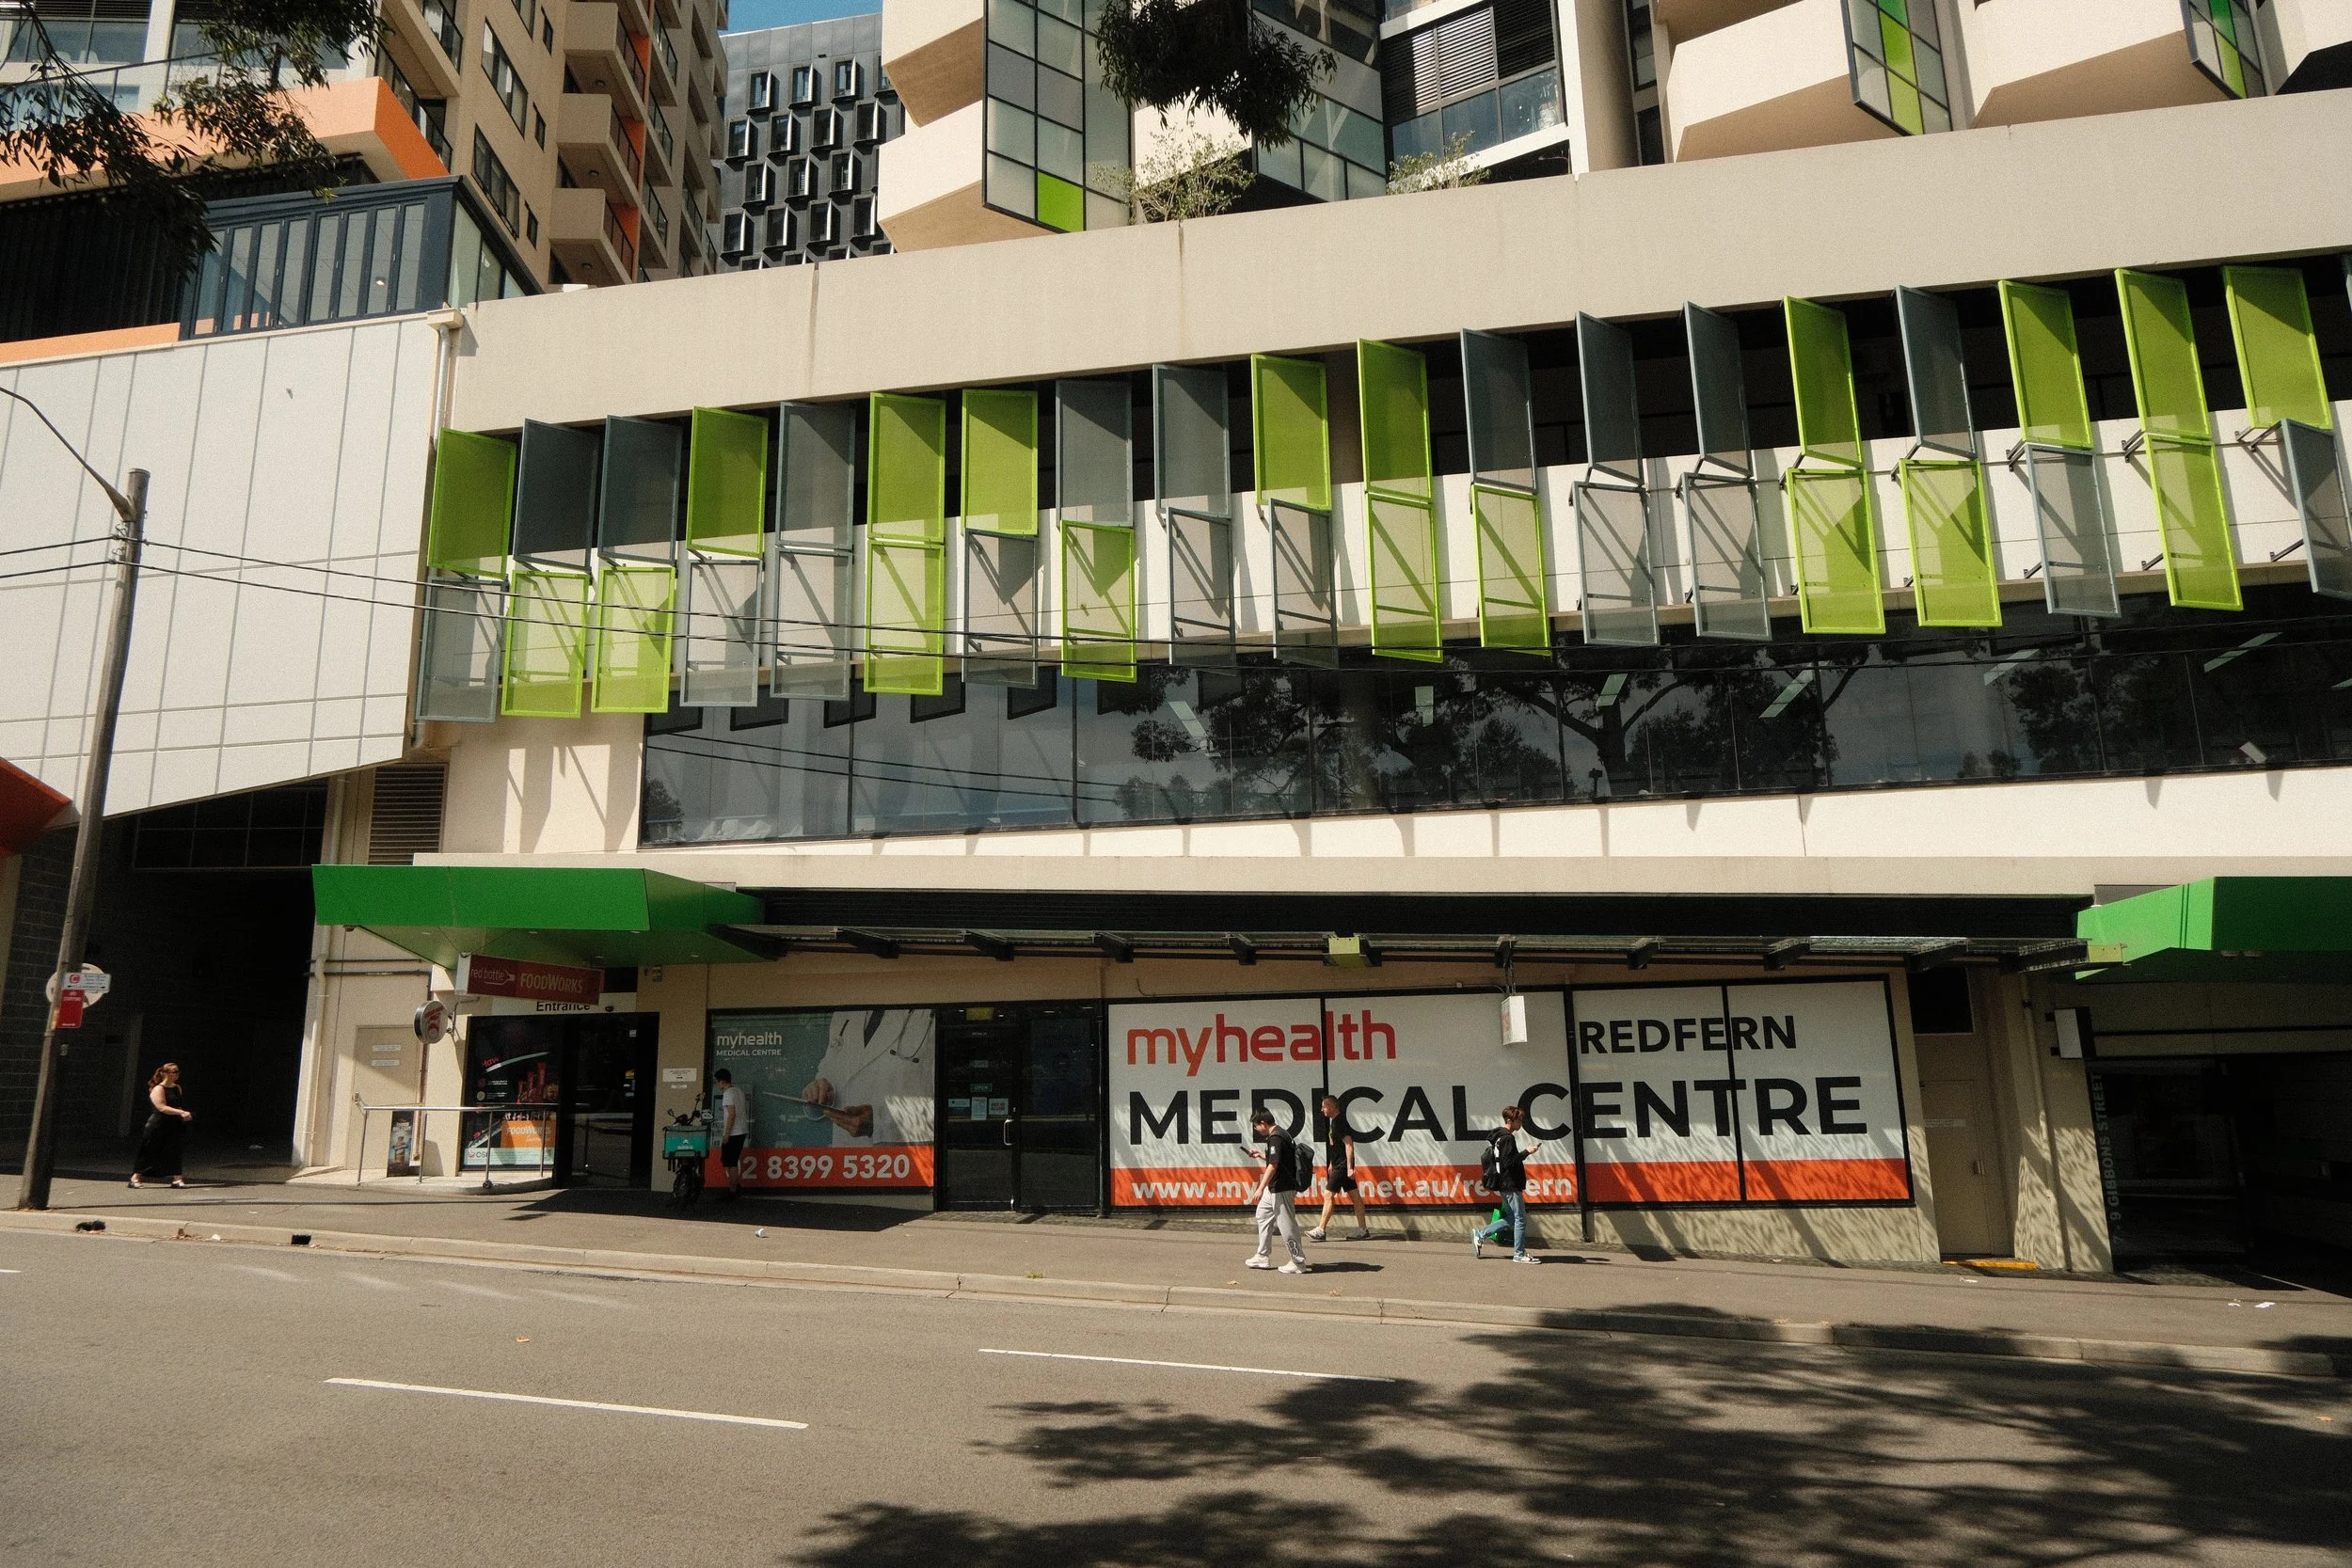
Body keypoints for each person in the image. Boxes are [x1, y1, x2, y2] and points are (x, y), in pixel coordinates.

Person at [1470, 1104, 1544, 1264]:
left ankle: (1481, 1234)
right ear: (1510, 1120)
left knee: (1512, 1218)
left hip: (1504, 1183)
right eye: (1519, 1120)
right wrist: (1526, 1152)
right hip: (1509, 1184)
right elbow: (1509, 1163)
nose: (1521, 1123)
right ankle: (1519, 1253)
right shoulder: (1507, 1138)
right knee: (1520, 1219)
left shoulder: (1499, 1136)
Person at [1243, 1109, 1310, 1275]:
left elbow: (1274, 1166)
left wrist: (1259, 1188)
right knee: (1263, 1215)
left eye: (1256, 1126)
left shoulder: (1276, 1137)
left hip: (1282, 1187)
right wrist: (1260, 1155)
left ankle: (1298, 1262)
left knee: (1287, 1225)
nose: (1256, 1130)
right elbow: (1278, 1159)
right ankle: (1262, 1256)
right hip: (1274, 1188)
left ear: (1263, 1123)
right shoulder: (1281, 1134)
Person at [1307, 1093, 1371, 1243]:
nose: (1322, 1109)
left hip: (1342, 1166)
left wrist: (1350, 1167)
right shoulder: (1334, 1122)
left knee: (1328, 1195)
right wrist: (1331, 1163)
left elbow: (1349, 1145)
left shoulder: (1339, 1122)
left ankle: (1321, 1230)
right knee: (1355, 1196)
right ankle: (1363, 1230)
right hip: (1338, 1164)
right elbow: (1336, 1146)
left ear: (1331, 1106)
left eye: (1324, 1106)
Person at [129, 1063, 192, 1189]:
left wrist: (183, 1115)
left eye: (177, 1071)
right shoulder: (158, 1089)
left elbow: (178, 1104)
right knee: (150, 1150)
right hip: (158, 1124)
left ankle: (177, 1179)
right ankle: (135, 1177)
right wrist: (181, 1112)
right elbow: (161, 1107)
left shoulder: (177, 1088)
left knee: (175, 1150)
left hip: (173, 1124)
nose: (176, 1074)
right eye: (174, 1071)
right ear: (165, 1073)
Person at [713, 1068, 754, 1199]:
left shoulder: (728, 1094)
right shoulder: (739, 1092)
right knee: (733, 1160)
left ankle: (732, 1191)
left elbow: (731, 1114)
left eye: (717, 1082)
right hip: (741, 1131)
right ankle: (735, 1186)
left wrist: (726, 1134)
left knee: (731, 1163)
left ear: (722, 1082)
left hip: (733, 1133)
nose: (717, 1084)